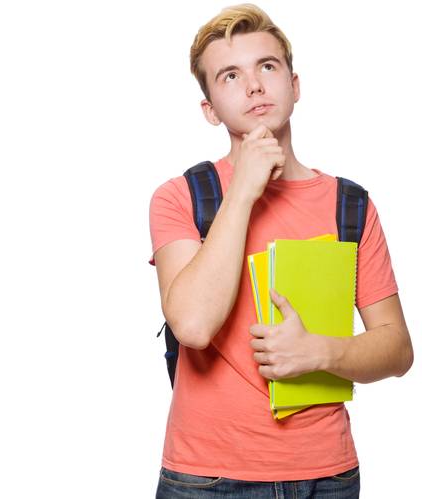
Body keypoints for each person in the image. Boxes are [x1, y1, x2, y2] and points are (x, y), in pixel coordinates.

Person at [149, 4, 412, 496]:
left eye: (266, 67)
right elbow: (193, 325)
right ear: (209, 109)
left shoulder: (349, 204)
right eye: (230, 75)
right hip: (207, 478)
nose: (253, 85)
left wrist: (322, 351)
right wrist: (243, 191)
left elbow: (397, 348)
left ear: (295, 85)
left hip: (327, 475)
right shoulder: (181, 196)